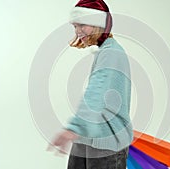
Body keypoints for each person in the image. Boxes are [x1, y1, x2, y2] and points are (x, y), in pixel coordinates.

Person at [49, 0, 133, 168]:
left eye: (82, 25)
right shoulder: (104, 51)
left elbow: (96, 91)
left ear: (98, 23)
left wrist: (74, 127)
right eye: (75, 26)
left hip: (105, 146)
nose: (78, 32)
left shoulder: (112, 53)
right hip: (86, 138)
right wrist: (78, 129)